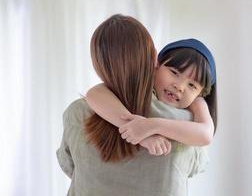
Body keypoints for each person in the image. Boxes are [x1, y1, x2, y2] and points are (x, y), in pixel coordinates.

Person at [57, 14, 209, 196]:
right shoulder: (185, 122)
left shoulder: (77, 112)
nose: (180, 86)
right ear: (155, 60)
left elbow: (69, 166)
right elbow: (196, 166)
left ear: (97, 65)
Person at [85, 38, 217, 155]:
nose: (180, 87)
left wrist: (153, 125)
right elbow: (94, 94)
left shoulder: (196, 102)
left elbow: (206, 134)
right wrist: (142, 135)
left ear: (200, 94)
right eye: (174, 72)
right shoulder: (142, 83)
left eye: (192, 85)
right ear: (156, 65)